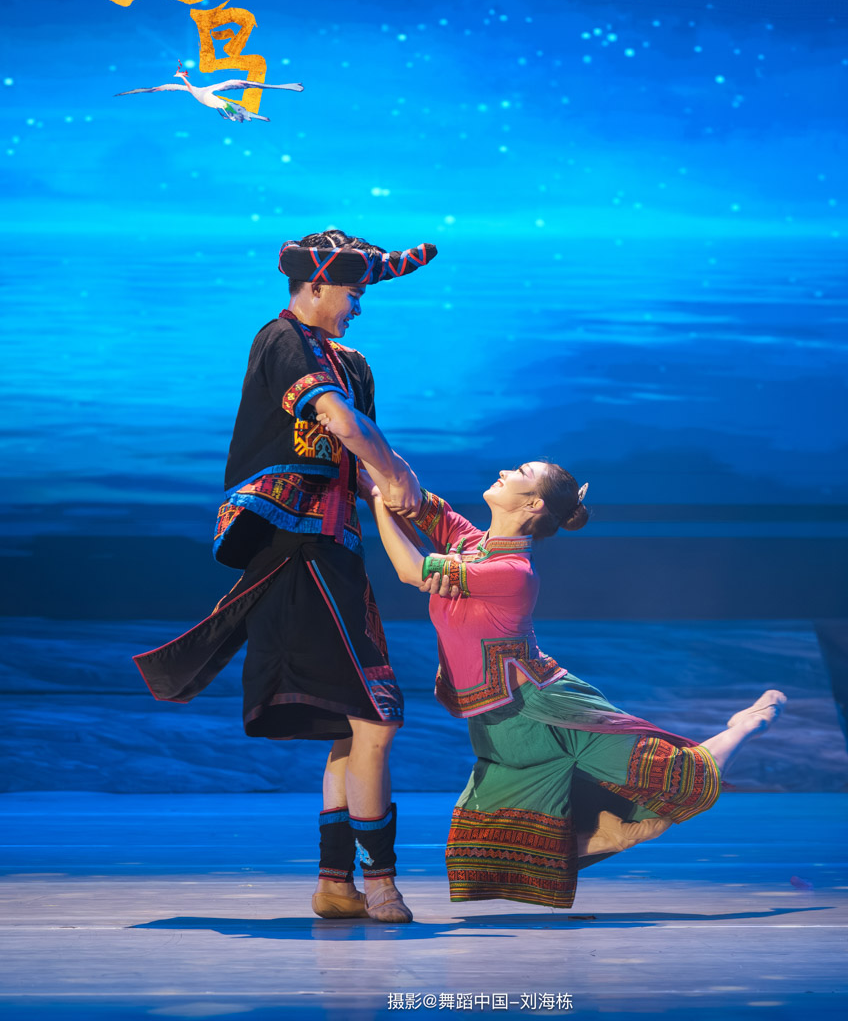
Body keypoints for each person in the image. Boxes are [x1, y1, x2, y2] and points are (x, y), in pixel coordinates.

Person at [134, 229, 438, 924]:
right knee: (375, 716)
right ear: (315, 286)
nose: (358, 306)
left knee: (350, 723)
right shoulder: (282, 340)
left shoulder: (352, 364)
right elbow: (339, 424)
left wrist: (416, 510)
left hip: (337, 549)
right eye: (352, 292)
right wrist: (397, 469)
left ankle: (336, 883)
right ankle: (381, 881)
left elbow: (361, 465)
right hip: (296, 548)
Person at [361, 459, 786, 909]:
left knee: (678, 775)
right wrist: (368, 470)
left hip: (549, 712)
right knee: (481, 856)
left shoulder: (514, 571)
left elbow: (412, 571)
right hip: (496, 723)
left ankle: (746, 725)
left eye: (521, 472)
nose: (505, 471)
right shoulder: (469, 542)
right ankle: (603, 833)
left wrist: (377, 501)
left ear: (534, 503)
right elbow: (415, 501)